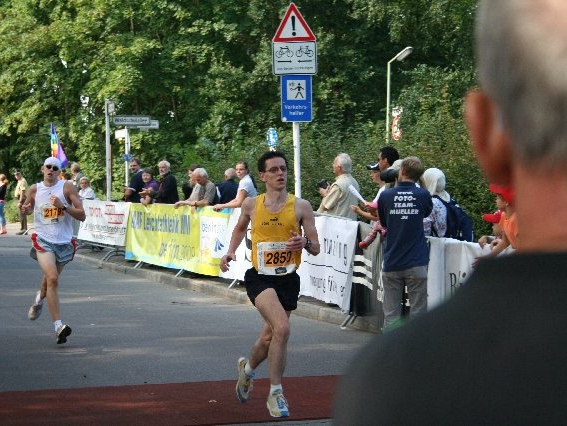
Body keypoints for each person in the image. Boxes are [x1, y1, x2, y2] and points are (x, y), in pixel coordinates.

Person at [335, 1, 567, 423]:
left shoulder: (397, 382)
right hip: (416, 261)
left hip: (401, 269)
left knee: (399, 315)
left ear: (485, 135)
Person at [220, 151, 320, 419]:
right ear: (262, 176)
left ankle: (248, 370)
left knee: (269, 336)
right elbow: (241, 228)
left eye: (283, 169)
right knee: (283, 328)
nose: (280, 174)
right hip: (260, 277)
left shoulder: (301, 206)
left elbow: (317, 247)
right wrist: (230, 251)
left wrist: (304, 244)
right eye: (273, 170)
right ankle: (276, 393)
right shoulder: (252, 204)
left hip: (288, 278)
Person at [21, 157, 86, 344]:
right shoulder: (35, 189)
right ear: (43, 169)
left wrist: (63, 206)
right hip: (43, 240)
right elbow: (27, 208)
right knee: (53, 279)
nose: (51, 170)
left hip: (64, 243)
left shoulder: (67, 188)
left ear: (59, 171)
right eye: (48, 167)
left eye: (55, 168)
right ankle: (59, 326)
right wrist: (25, 209)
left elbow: (82, 215)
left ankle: (38, 299)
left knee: (47, 284)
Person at [376, 156, 432, 331]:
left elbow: (384, 223)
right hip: (416, 262)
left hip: (392, 260)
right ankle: (416, 353)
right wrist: (421, 183)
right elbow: (426, 212)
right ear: (419, 175)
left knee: (391, 315)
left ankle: (390, 354)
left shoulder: (385, 195)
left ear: (400, 171)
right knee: (418, 313)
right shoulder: (423, 194)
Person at [317, 153, 360, 220]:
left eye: (334, 163)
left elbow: (325, 207)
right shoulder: (355, 182)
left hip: (337, 226)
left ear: (339, 168)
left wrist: (325, 195)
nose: (333, 165)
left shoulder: (338, 185)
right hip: (351, 226)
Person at [422, 167, 450, 238]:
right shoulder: (448, 198)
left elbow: (425, 230)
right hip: (452, 241)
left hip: (438, 245)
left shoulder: (432, 203)